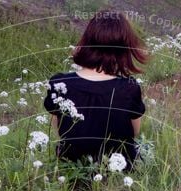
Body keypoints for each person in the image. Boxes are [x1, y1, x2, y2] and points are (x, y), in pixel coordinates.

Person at [43, 10, 148, 170]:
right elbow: (134, 133)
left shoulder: (59, 83)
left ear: (86, 41)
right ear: (124, 48)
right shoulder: (129, 88)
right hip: (117, 171)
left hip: (70, 169)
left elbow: (60, 130)